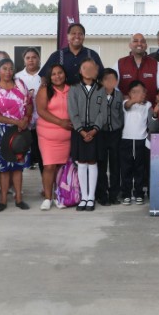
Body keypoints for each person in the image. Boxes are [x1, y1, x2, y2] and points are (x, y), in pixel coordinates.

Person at [0, 58, 32, 212]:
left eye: (11, 68)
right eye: (4, 68)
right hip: (2, 132)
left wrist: (25, 119)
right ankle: (3, 200)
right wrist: (15, 122)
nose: (8, 72)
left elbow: (29, 105)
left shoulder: (20, 85)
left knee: (18, 167)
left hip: (20, 132)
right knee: (4, 169)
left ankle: (19, 199)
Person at [68, 58, 104, 212]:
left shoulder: (101, 89)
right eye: (85, 68)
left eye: (92, 68)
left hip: (95, 131)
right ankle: (83, 196)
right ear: (80, 71)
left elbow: (103, 112)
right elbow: (72, 111)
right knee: (81, 162)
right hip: (79, 131)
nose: (89, 71)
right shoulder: (74, 89)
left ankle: (91, 197)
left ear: (97, 71)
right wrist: (81, 131)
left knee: (93, 162)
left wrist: (94, 129)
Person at [35, 64, 72, 210]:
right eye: (54, 74)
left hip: (66, 136)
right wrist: (60, 122)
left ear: (65, 74)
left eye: (60, 73)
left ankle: (59, 196)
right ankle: (47, 198)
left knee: (62, 167)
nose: (57, 76)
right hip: (47, 135)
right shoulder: (45, 90)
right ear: (49, 77)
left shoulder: (72, 90)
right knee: (49, 166)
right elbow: (41, 111)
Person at [95, 68, 123, 205]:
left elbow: (121, 114)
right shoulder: (97, 94)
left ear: (116, 81)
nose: (110, 82)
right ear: (101, 81)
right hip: (101, 133)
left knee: (115, 164)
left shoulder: (119, 95)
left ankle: (114, 194)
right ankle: (102, 194)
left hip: (115, 133)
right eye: (106, 79)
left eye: (113, 79)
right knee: (101, 164)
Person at [120, 81, 151, 205]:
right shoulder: (126, 103)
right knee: (126, 168)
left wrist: (140, 100)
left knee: (139, 168)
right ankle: (126, 193)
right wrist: (134, 99)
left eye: (141, 91)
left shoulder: (148, 105)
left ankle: (139, 193)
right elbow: (127, 105)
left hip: (141, 140)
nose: (138, 94)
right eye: (135, 92)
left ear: (145, 93)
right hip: (126, 140)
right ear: (129, 94)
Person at [15, 48, 43, 172]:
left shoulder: (45, 74)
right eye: (28, 58)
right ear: (24, 60)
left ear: (39, 59)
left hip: (42, 119)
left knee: (43, 155)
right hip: (24, 121)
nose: (31, 60)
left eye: (34, 57)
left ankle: (45, 186)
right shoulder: (17, 77)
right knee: (21, 153)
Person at [115, 34, 158, 103]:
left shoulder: (155, 64)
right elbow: (111, 87)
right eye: (135, 41)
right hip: (125, 111)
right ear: (130, 45)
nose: (139, 44)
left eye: (142, 41)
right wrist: (122, 97)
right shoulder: (120, 63)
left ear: (146, 45)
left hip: (149, 110)